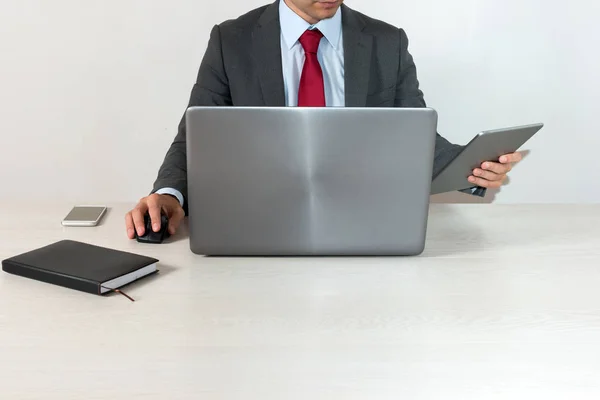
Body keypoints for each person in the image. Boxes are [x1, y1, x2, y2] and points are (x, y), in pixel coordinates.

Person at [125, 0, 522, 239]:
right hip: (258, 222)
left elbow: (415, 136)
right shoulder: (232, 40)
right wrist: (169, 195)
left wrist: (473, 168)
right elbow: (196, 134)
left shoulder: (387, 41)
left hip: (362, 223)